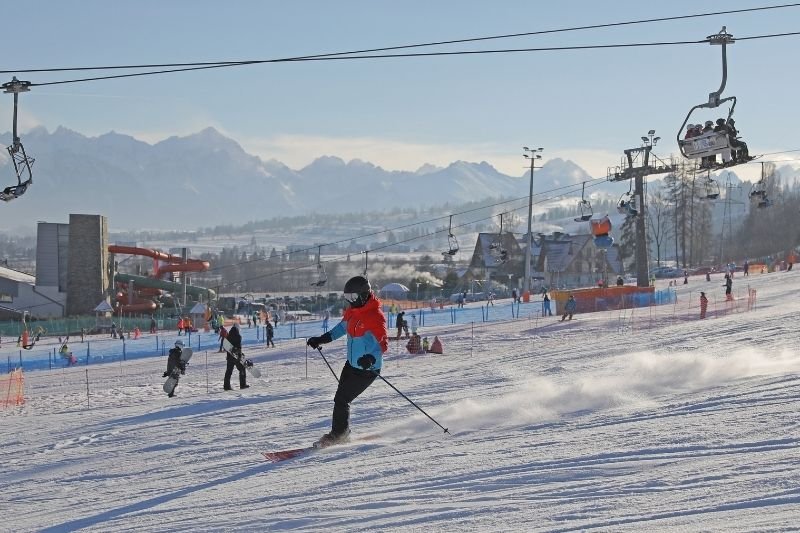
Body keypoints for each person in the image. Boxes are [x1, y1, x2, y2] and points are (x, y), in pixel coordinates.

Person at [306, 276, 388, 448]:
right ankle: (343, 432)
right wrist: (321, 339)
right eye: (348, 298)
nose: (350, 301)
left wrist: (371, 358)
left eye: (353, 297)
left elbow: (382, 342)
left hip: (367, 369)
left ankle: (339, 434)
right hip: (351, 365)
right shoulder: (352, 312)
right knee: (341, 399)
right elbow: (340, 329)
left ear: (364, 295)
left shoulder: (375, 316)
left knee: (341, 400)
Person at [223, 323, 248, 391]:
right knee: (242, 369)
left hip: (229, 356)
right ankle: (243, 385)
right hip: (236, 356)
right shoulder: (238, 336)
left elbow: (226, 347)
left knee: (228, 371)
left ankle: (226, 386)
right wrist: (240, 355)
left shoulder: (228, 336)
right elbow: (239, 347)